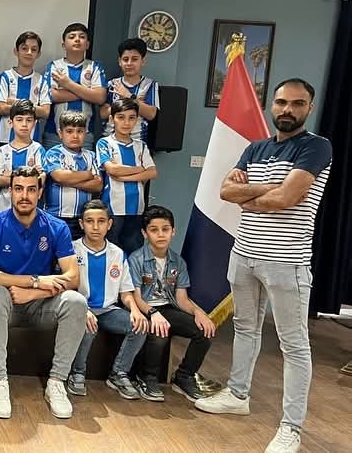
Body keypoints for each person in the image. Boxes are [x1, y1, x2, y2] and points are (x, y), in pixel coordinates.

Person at [195, 78, 332, 453]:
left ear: (309, 108)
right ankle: (237, 395)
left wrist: (254, 194)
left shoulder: (316, 147)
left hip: (286, 262)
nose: (288, 109)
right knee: (245, 328)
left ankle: (291, 428)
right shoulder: (256, 148)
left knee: (294, 345)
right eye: (282, 102)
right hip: (244, 254)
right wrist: (269, 192)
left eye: (297, 104)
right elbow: (226, 191)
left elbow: (287, 198)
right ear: (272, 104)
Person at [0, 167, 86, 420]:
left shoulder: (57, 227)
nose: (24, 195)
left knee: (76, 301)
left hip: (41, 306)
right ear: (10, 191)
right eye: (18, 189)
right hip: (6, 305)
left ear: (40, 193)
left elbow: (73, 278)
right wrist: (34, 280)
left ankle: (57, 382)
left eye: (31, 189)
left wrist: (34, 291)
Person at [128, 205, 216, 404]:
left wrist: (198, 313)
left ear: (173, 232)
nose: (160, 234)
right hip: (144, 308)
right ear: (144, 233)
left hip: (167, 308)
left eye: (165, 229)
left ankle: (184, 375)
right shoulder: (136, 259)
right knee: (160, 332)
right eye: (154, 230)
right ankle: (147, 377)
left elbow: (181, 299)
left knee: (205, 331)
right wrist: (153, 313)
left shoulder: (178, 262)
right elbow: (136, 297)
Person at [67, 200, 147, 399]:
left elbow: (125, 292)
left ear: (109, 224)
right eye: (90, 221)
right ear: (81, 224)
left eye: (101, 221)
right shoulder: (71, 250)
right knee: (88, 326)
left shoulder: (118, 254)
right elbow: (65, 286)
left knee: (139, 326)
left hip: (108, 311)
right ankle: (77, 373)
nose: (95, 227)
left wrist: (135, 310)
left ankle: (119, 373)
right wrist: (83, 310)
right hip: (81, 308)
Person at [96, 98, 156, 255]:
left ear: (137, 120)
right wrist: (139, 169)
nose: (126, 122)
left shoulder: (141, 146)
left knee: (134, 253)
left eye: (131, 118)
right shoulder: (104, 143)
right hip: (112, 207)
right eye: (121, 117)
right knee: (111, 252)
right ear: (112, 119)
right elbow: (112, 169)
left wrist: (125, 177)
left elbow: (152, 172)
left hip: (136, 209)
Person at [39, 23, 107, 149]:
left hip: (84, 135)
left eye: (82, 37)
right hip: (54, 134)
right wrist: (87, 93)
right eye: (72, 37)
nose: (77, 39)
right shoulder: (54, 66)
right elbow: (52, 95)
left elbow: (100, 97)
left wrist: (67, 84)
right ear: (63, 45)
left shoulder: (94, 67)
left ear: (87, 44)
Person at [43, 111, 102, 239]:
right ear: (60, 133)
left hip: (82, 218)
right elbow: (59, 176)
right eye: (69, 131)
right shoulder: (54, 153)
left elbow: (97, 185)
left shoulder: (91, 156)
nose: (75, 136)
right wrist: (87, 174)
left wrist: (67, 181)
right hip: (55, 216)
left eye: (80, 131)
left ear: (86, 133)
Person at [0, 32, 49, 144]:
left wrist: (14, 102)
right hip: (3, 138)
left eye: (33, 49)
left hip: (31, 140)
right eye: (24, 48)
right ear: (16, 51)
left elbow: (45, 112)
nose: (29, 52)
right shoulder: (5, 76)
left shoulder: (41, 80)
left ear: (38, 54)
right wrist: (33, 107)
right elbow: (1, 108)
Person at [100, 38, 159, 142]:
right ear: (120, 62)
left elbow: (151, 114)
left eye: (134, 59)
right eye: (125, 59)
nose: (129, 63)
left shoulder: (150, 85)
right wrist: (135, 103)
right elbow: (103, 113)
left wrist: (129, 96)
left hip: (138, 141)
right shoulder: (112, 84)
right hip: (110, 140)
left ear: (143, 61)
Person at [0, 99, 44, 212]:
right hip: (5, 208)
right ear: (10, 123)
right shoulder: (3, 150)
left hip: (31, 209)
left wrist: (9, 175)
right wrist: (29, 175)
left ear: (35, 123)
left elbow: (41, 180)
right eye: (19, 120)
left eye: (29, 120)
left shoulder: (38, 149)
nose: (24, 124)